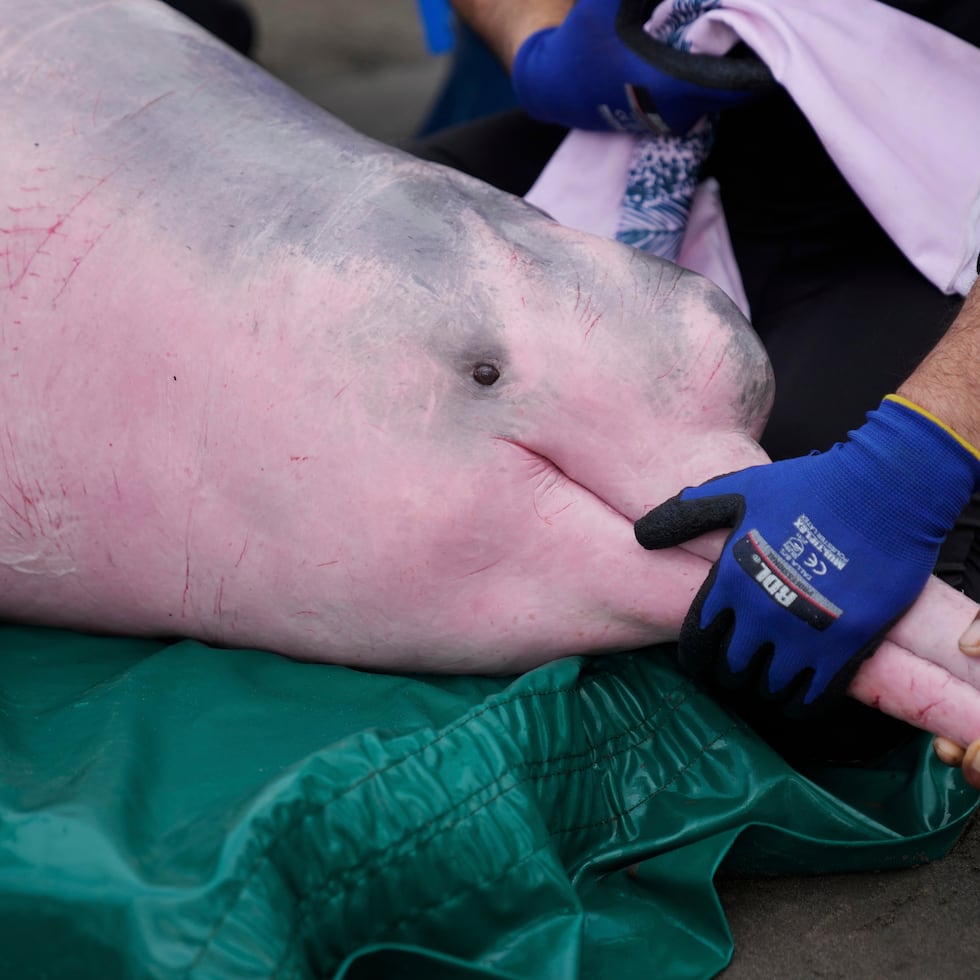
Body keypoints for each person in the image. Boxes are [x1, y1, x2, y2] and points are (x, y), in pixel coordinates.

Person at [404, 0, 980, 784]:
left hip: (944, 184)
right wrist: (537, 35)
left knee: (797, 649)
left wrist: (918, 458)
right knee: (356, 313)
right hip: (666, 124)